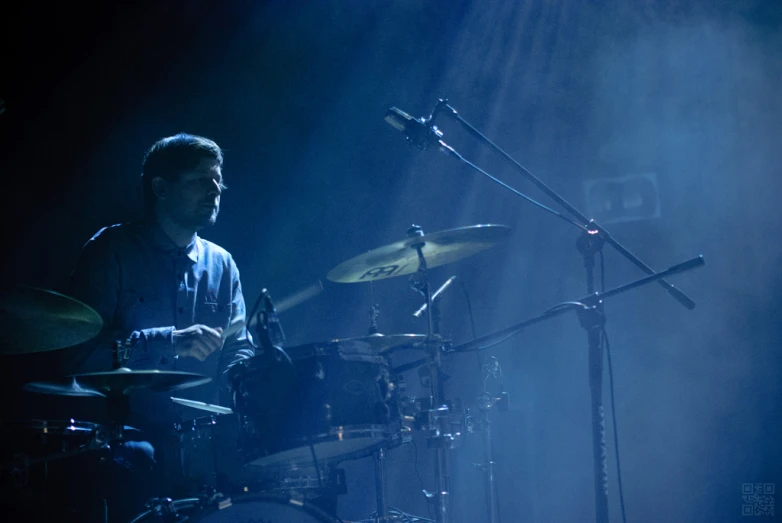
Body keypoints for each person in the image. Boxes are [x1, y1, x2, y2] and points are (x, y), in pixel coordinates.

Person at [65, 133, 255, 522]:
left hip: (205, 441)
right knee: (137, 461)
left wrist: (249, 373)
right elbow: (80, 354)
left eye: (218, 179)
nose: (215, 189)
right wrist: (167, 342)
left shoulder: (223, 265)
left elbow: (239, 347)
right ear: (161, 188)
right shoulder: (110, 250)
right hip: (126, 438)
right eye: (201, 180)